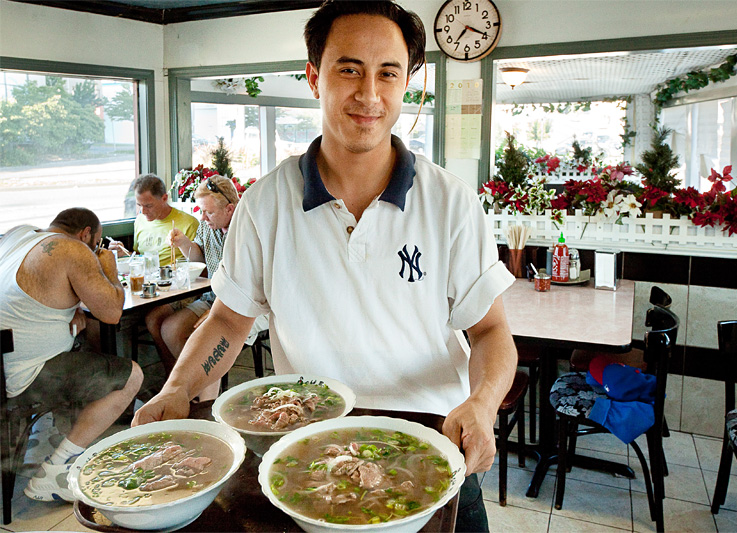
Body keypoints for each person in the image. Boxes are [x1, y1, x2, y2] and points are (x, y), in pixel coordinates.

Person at [133, 2, 516, 530]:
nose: (369, 93)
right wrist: (176, 390)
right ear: (315, 77)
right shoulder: (265, 203)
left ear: (408, 83)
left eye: (388, 73)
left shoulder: (449, 202)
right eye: (349, 69)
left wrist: (483, 402)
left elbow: (491, 329)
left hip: (435, 440)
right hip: (308, 448)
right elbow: (228, 320)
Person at [0, 208, 143, 502]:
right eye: (96, 243)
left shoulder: (19, 234)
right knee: (131, 375)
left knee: (83, 346)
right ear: (86, 234)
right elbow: (112, 313)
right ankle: (54, 472)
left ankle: (74, 443)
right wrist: (109, 268)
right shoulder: (74, 249)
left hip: (4, 363)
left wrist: (73, 306)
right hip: (26, 377)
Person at [143, 175, 268, 401]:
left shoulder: (250, 228)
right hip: (213, 295)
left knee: (207, 335)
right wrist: (183, 244)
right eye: (201, 211)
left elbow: (257, 285)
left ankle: (207, 402)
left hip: (248, 303)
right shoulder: (207, 226)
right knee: (169, 329)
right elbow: (199, 258)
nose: (202, 217)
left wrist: (213, 315)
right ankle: (193, 389)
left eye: (208, 212)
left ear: (230, 209)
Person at [108, 173, 199, 267]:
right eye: (139, 205)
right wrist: (123, 254)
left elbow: (199, 264)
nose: (142, 211)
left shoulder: (189, 223)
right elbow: (140, 257)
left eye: (148, 206)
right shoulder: (140, 221)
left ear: (164, 198)